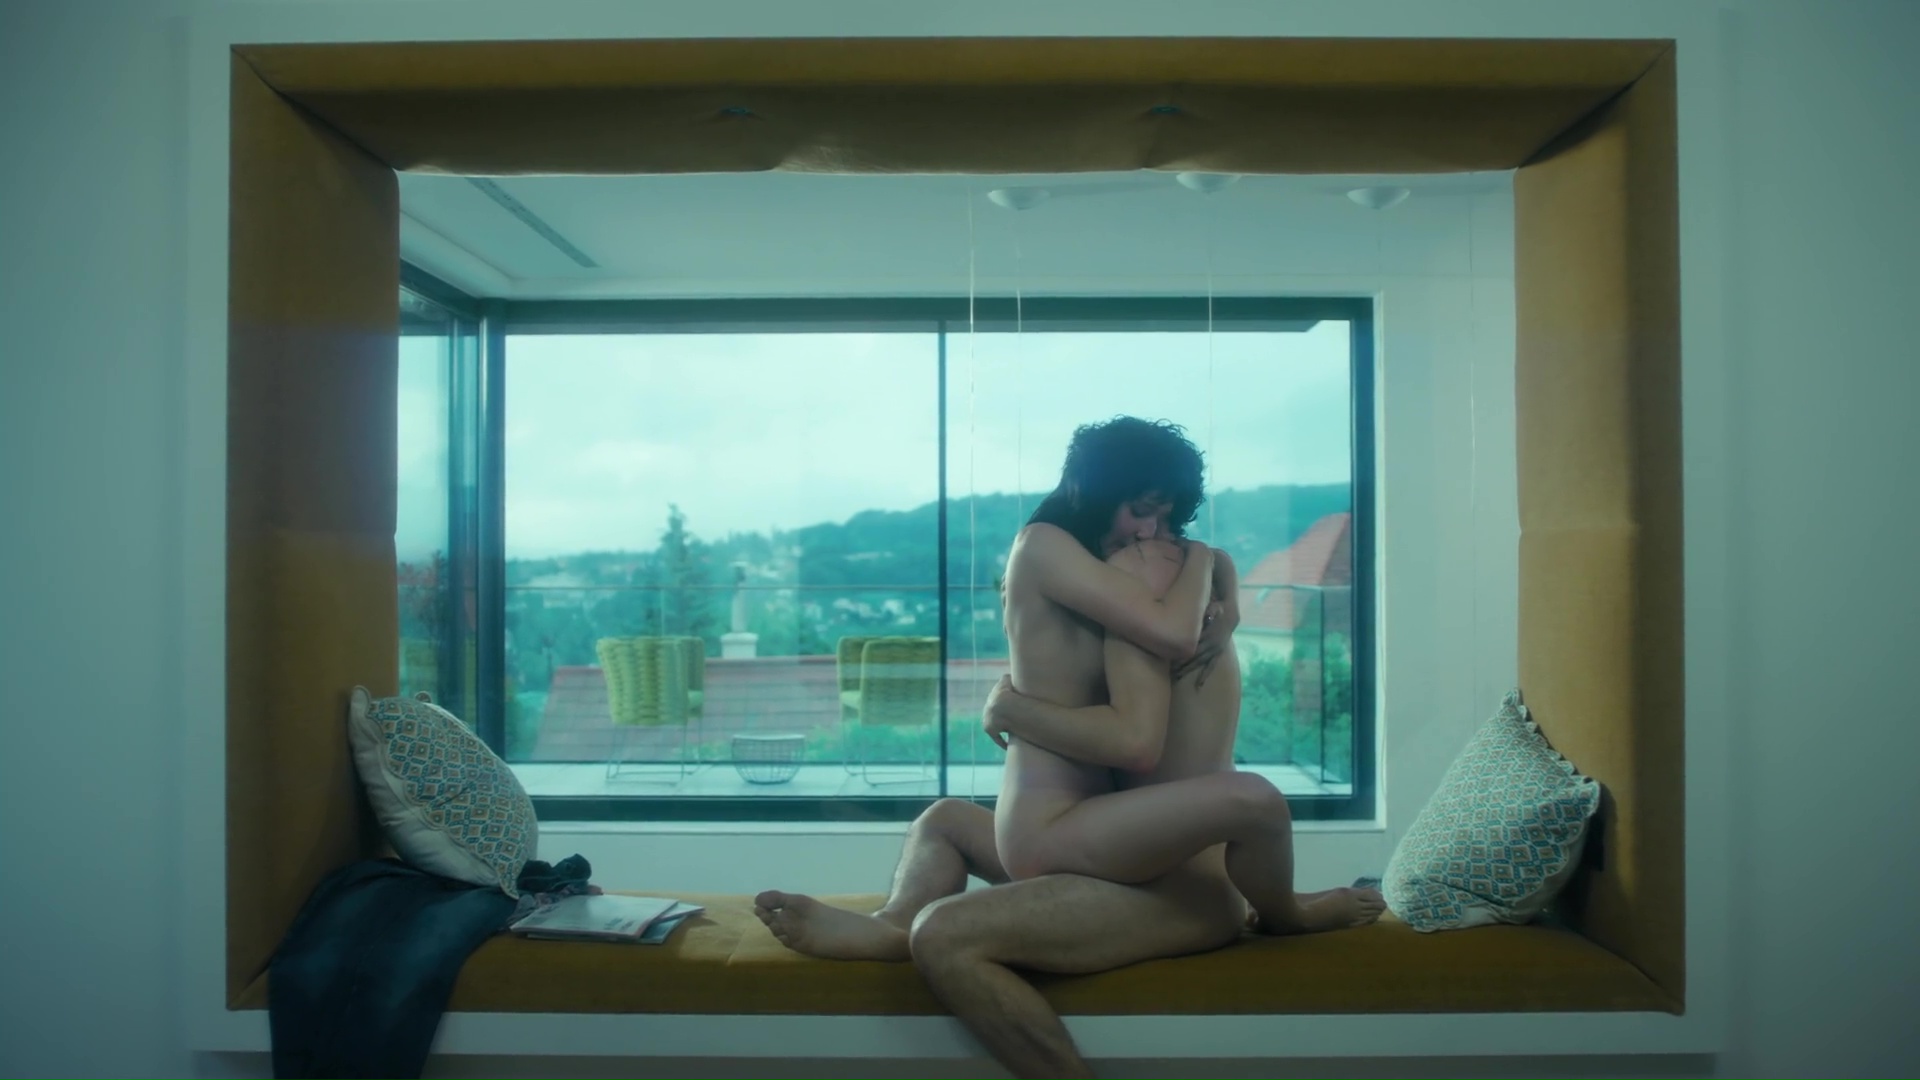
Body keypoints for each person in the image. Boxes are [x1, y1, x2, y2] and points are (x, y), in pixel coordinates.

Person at [754, 417, 1379, 1080]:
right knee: (942, 822)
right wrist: (1204, 565)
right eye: (1140, 512)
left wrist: (1210, 570)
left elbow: (1143, 719)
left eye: (1166, 522)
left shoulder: (1142, 577)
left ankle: (1281, 916)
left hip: (1155, 877)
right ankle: (891, 927)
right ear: (1094, 491)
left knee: (944, 930)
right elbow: (1150, 671)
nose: (1149, 535)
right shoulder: (1073, 557)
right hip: (1090, 842)